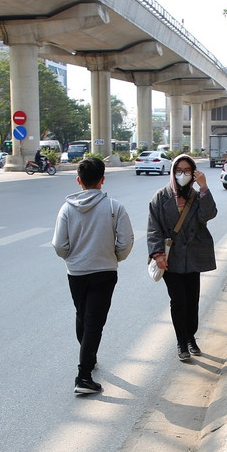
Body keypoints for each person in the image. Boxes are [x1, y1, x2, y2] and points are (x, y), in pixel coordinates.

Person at [51, 157, 134, 394]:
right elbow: (126, 241)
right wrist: (115, 257)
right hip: (104, 271)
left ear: (79, 180)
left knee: (83, 315)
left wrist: (71, 258)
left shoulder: (66, 208)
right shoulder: (114, 207)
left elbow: (59, 245)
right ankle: (83, 376)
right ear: (102, 180)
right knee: (94, 321)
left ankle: (88, 356)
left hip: (76, 273)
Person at [148, 153, 218, 361]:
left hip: (193, 256)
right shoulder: (161, 197)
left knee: (192, 300)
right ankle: (182, 342)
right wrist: (157, 253)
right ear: (173, 172)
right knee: (178, 300)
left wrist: (204, 188)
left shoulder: (197, 196)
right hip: (171, 258)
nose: (183, 175)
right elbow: (153, 228)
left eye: (187, 171)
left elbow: (208, 215)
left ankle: (191, 337)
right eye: (179, 171)